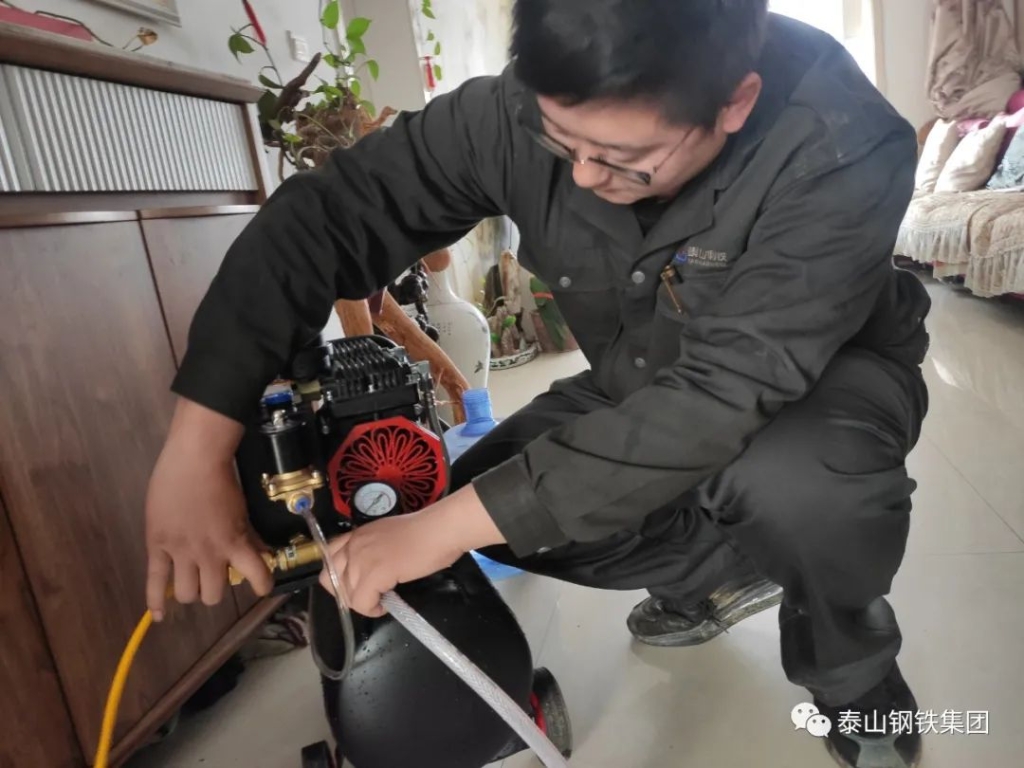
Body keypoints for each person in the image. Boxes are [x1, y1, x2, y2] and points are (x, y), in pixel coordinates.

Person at [144, 1, 931, 766]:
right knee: (487, 506)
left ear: (735, 102)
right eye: (562, 141)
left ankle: (853, 670)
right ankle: (720, 572)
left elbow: (725, 390)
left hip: (813, 393)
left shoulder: (840, 146)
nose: (583, 176)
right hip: (640, 379)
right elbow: (324, 220)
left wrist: (444, 531)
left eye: (623, 158)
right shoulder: (515, 109)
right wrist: (195, 447)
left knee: (800, 487)